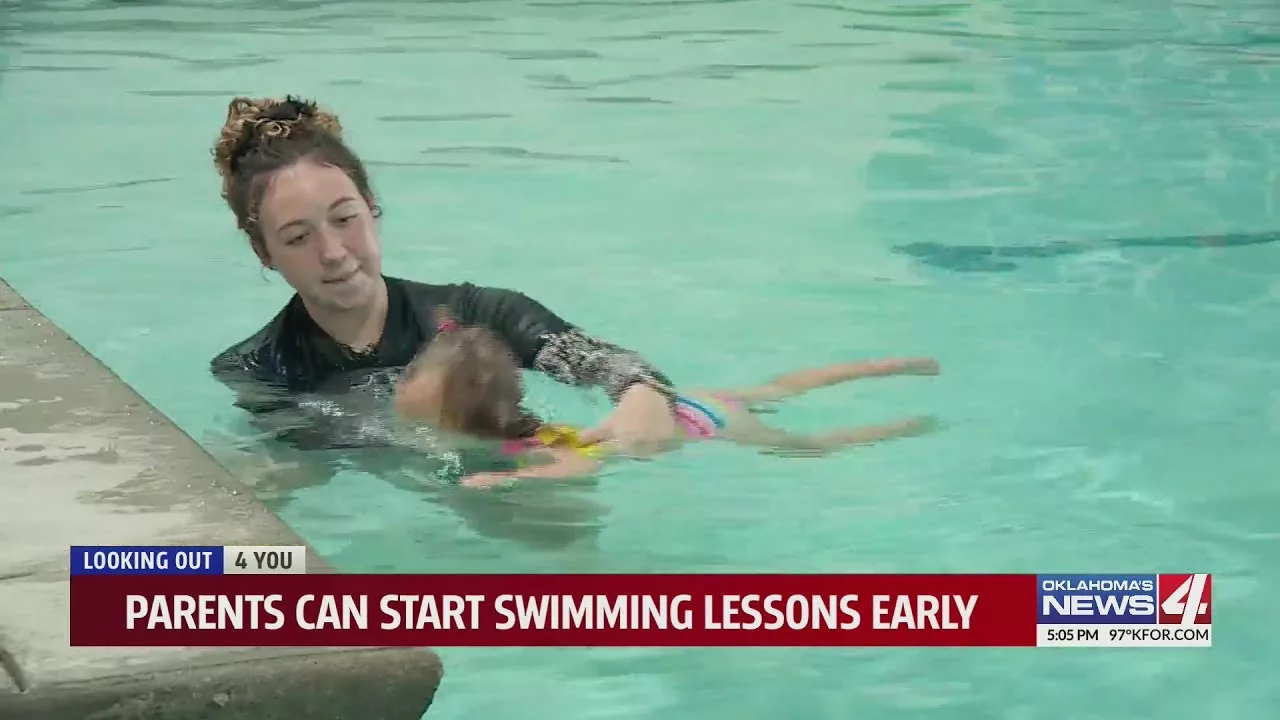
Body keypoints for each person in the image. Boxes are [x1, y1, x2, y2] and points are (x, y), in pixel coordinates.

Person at [208, 95, 682, 457]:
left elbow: (615, 367)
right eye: (297, 238)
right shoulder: (257, 371)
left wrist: (644, 398)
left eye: (345, 218)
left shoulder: (480, 315)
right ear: (263, 252)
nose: (332, 253)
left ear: (371, 208)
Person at [394, 309, 941, 488]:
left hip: (709, 427)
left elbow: (578, 469)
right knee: (782, 387)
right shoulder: (523, 424)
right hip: (690, 401)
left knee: (809, 446)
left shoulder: (531, 447)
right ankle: (886, 366)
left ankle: (904, 428)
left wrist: (507, 480)